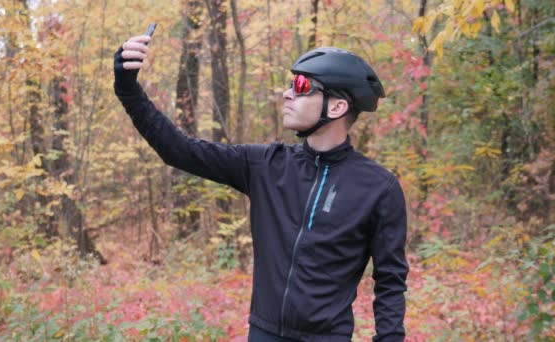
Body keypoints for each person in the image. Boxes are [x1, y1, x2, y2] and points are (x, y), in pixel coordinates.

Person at [114, 33, 409, 342]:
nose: (287, 94)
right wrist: (128, 88)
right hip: (263, 334)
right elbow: (178, 149)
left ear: (336, 107)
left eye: (302, 87)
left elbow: (390, 280)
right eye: (291, 84)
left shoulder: (379, 188)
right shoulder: (266, 165)